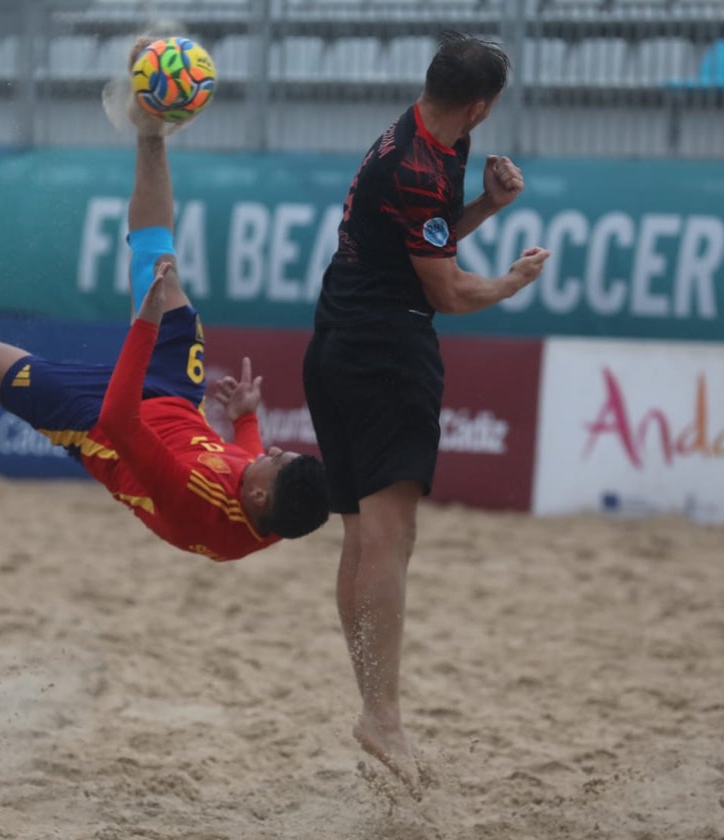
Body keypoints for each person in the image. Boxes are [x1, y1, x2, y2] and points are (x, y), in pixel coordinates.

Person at [0, 40, 330, 561]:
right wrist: (246, 420)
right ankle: (150, 128)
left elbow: (122, 420)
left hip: (104, 425)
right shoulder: (280, 507)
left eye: (275, 458)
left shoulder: (190, 494)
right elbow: (262, 471)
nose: (272, 450)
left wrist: (144, 324)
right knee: (157, 255)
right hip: (177, 400)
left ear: (257, 493)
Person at [301, 33, 551, 794]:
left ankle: (374, 703)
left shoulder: (425, 138)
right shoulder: (418, 165)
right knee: (390, 537)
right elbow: (446, 291)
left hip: (336, 344)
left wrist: (485, 204)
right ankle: (381, 713)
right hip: (385, 355)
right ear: (479, 103)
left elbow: (420, 248)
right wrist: (511, 282)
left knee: (361, 538)